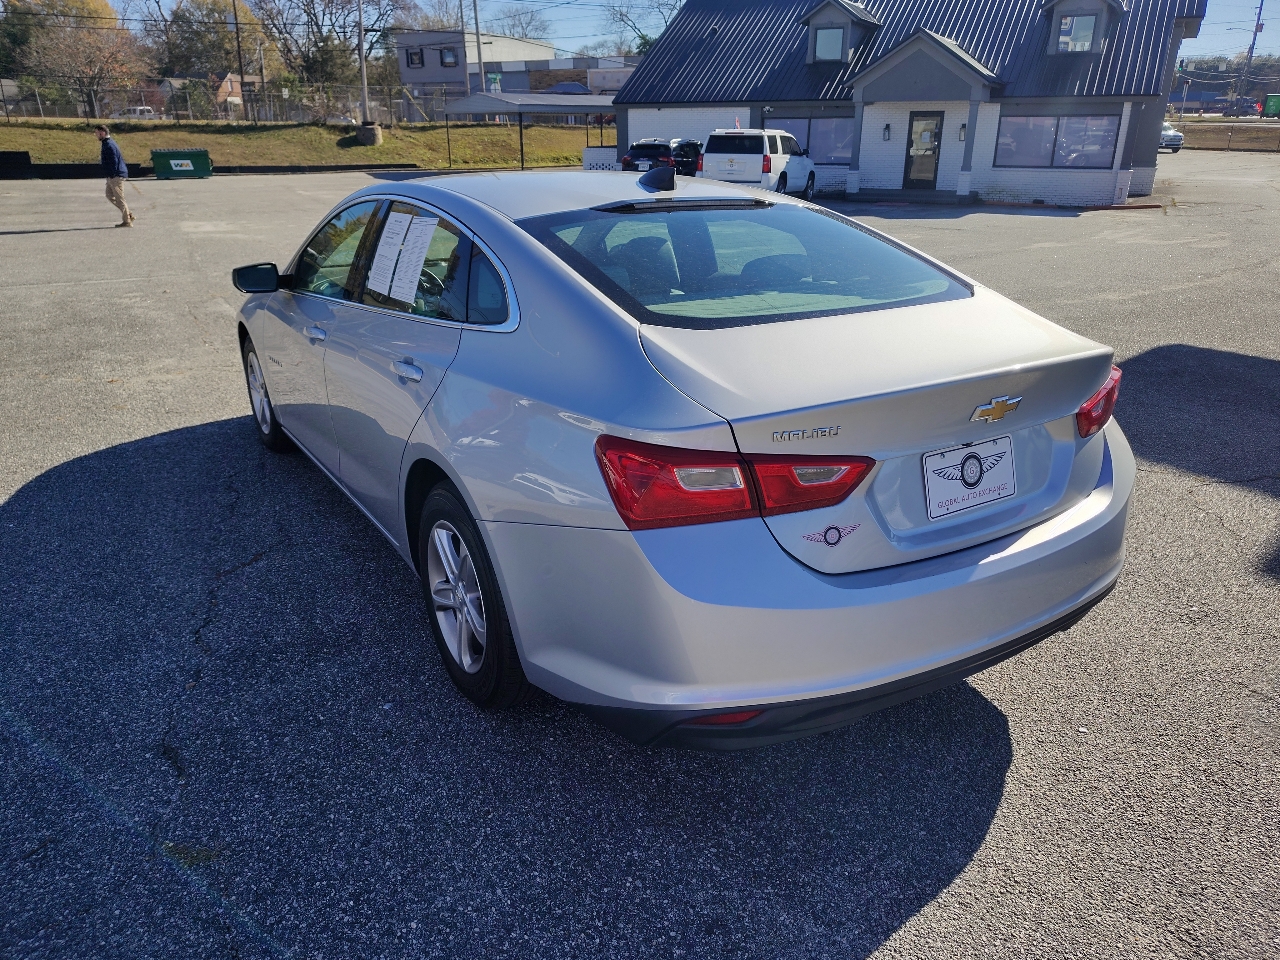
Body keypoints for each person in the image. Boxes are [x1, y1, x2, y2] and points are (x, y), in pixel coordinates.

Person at [95, 124, 134, 227]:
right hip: (112, 175)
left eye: (97, 133)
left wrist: (111, 175)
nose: (96, 135)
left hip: (115, 175)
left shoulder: (109, 144)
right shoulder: (107, 143)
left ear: (102, 132)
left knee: (120, 199)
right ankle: (128, 214)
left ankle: (127, 221)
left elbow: (114, 161)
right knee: (109, 195)